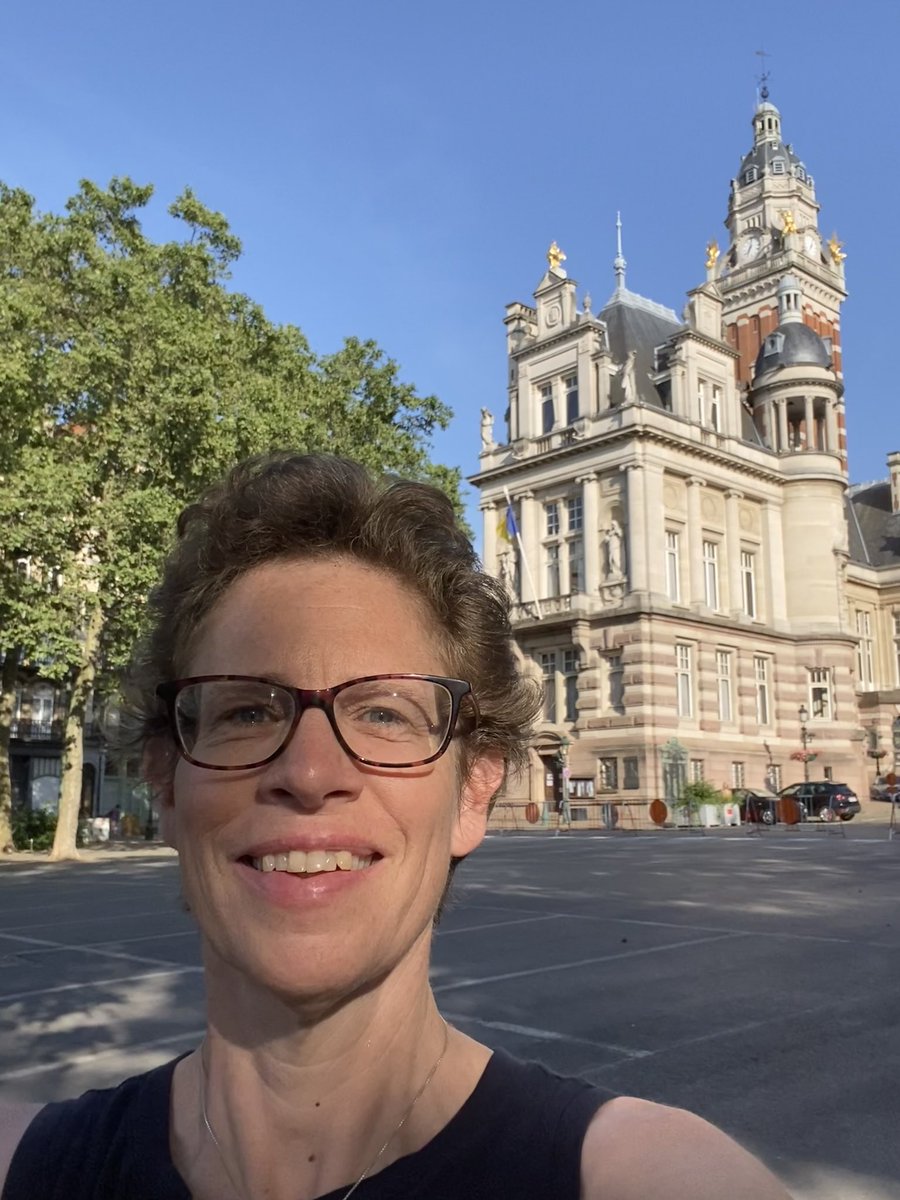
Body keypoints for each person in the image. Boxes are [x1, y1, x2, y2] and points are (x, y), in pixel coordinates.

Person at [0, 453, 793, 1199]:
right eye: (247, 709)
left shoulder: (648, 1178)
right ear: (167, 781)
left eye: (384, 712)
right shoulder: (28, 1170)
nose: (310, 774)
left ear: (474, 791)